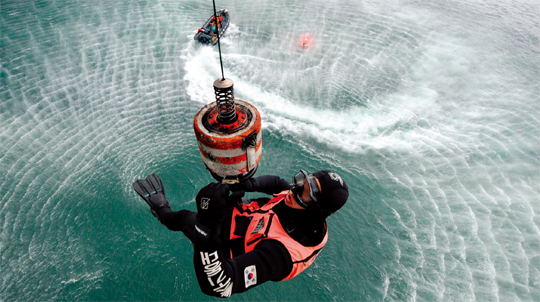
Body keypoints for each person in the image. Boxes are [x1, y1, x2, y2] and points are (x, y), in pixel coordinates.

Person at [133, 170, 349, 298]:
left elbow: (220, 285)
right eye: (302, 181)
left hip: (227, 249)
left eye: (304, 193)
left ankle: (161, 210)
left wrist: (207, 229)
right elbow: (276, 183)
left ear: (317, 210)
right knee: (212, 202)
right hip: (248, 218)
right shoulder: (297, 199)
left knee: (186, 219)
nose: (293, 190)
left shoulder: (283, 253)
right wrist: (245, 184)